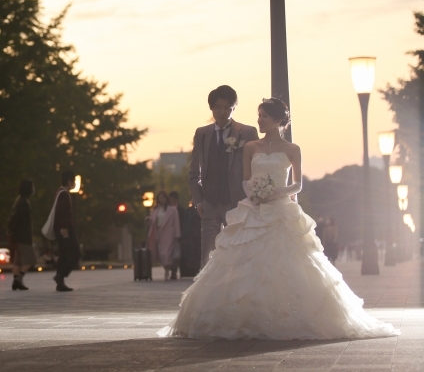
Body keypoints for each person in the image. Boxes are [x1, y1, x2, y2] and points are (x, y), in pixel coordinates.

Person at [159, 98, 399, 339]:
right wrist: (254, 191)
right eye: (259, 115)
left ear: (277, 120)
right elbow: (245, 178)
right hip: (254, 207)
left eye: (264, 116)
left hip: (281, 207)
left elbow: (297, 184)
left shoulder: (292, 149)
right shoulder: (251, 146)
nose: (259, 120)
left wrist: (275, 192)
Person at [188, 85, 259, 269]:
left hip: (235, 202)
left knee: (237, 251)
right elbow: (193, 173)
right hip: (209, 202)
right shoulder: (202, 133)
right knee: (207, 255)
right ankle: (205, 295)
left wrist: (249, 200)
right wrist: (198, 201)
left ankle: (235, 292)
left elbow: (255, 168)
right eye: (218, 107)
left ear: (234, 107)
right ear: (211, 108)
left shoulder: (247, 132)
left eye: (227, 107)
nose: (222, 112)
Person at [53, 170, 81, 292]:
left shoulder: (60, 192)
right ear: (69, 181)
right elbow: (60, 212)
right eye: (74, 181)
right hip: (65, 228)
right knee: (76, 253)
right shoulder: (64, 193)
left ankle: (60, 283)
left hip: (61, 227)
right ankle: (60, 276)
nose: (75, 184)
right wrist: (64, 228)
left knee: (63, 254)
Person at [8, 179, 36, 290]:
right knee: (31, 259)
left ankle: (16, 282)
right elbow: (16, 219)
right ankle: (18, 279)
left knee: (18, 260)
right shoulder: (23, 203)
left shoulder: (19, 200)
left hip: (17, 235)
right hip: (23, 236)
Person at [148, 191, 181, 281]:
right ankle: (166, 268)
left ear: (166, 199)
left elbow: (176, 222)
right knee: (162, 254)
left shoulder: (173, 210)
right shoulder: (155, 210)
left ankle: (168, 270)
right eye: (160, 198)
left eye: (163, 197)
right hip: (159, 233)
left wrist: (177, 235)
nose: (161, 199)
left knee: (168, 253)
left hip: (169, 233)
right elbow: (152, 222)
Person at [168, 192, 185, 279]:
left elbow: (184, 223)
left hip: (179, 235)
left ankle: (174, 271)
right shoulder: (167, 210)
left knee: (176, 254)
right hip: (169, 235)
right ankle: (171, 270)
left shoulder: (181, 211)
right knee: (170, 253)